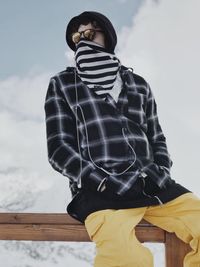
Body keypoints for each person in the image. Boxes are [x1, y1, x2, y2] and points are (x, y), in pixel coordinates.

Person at [44, 11, 200, 267]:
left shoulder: (137, 84)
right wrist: (99, 181)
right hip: (103, 192)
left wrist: (161, 171)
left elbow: (156, 136)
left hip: (152, 184)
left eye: (89, 33)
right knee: (124, 258)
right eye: (76, 36)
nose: (82, 40)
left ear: (107, 35)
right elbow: (59, 149)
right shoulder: (63, 84)